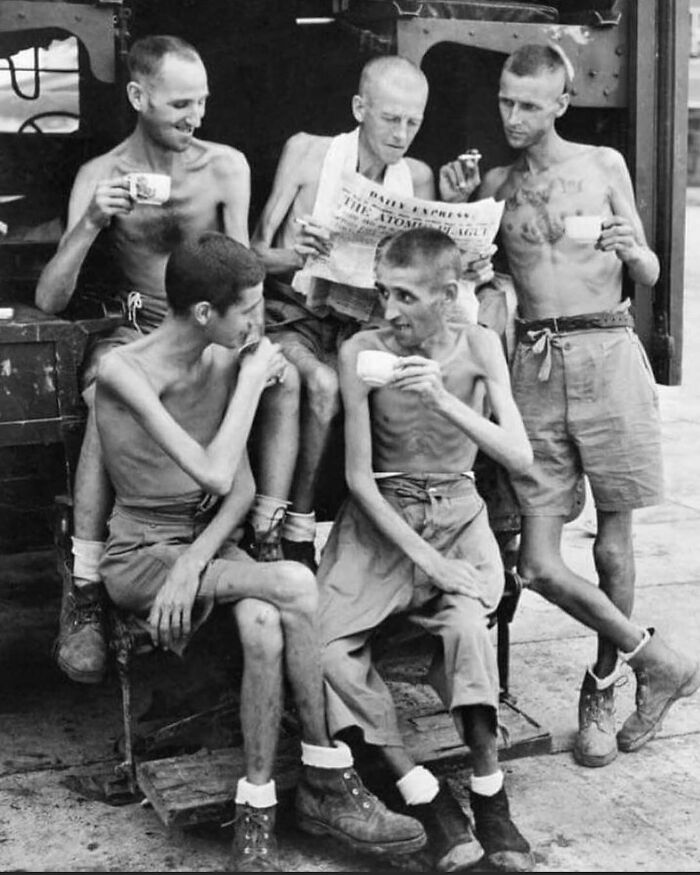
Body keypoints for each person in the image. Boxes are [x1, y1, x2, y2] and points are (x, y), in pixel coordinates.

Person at [93, 231, 428, 872]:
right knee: (298, 586)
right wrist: (253, 379)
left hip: (200, 551)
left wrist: (194, 564)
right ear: (203, 313)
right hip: (140, 554)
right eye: (248, 308)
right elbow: (214, 473)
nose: (260, 320)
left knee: (265, 618)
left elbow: (243, 486)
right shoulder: (125, 370)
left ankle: (259, 807)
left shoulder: (220, 361)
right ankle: (329, 773)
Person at [440, 43, 700, 769]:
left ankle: (605, 684)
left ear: (562, 101)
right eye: (505, 101)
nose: (514, 116)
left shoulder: (603, 166)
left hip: (609, 349)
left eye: (530, 103)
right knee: (539, 562)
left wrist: (632, 247)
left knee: (614, 546)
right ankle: (659, 658)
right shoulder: (495, 182)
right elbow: (468, 273)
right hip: (535, 359)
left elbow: (647, 268)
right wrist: (460, 200)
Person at [34, 34, 297, 686]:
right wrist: (92, 221)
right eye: (181, 104)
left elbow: (243, 279)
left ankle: (266, 529)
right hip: (137, 329)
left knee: (293, 382)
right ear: (137, 97)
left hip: (214, 323)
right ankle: (89, 582)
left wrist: (255, 345)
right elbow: (51, 298)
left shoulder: (225, 165)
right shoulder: (100, 176)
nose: (195, 118)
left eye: (202, 102)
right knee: (103, 394)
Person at [317, 228, 535, 872]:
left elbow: (518, 456)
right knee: (324, 648)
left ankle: (490, 796)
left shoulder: (481, 345)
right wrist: (427, 561)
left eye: (407, 296)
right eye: (384, 291)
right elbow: (359, 477)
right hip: (381, 519)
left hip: (457, 510)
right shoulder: (361, 349)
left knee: (467, 624)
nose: (390, 310)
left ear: (449, 295)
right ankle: (421, 789)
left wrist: (441, 396)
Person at [249, 54, 482, 570]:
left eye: (413, 122)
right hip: (295, 317)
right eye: (389, 118)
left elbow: (425, 272)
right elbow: (253, 255)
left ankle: (426, 522)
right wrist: (298, 255)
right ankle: (295, 528)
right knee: (326, 386)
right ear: (359, 107)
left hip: (366, 325)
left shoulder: (415, 176)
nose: (402, 133)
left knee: (445, 372)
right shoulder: (308, 154)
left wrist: (462, 222)